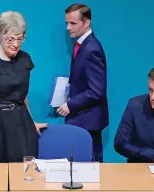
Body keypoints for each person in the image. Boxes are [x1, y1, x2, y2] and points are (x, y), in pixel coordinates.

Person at [0, 11, 48, 165]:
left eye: (20, 38)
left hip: (21, 126)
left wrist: (30, 122)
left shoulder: (25, 59)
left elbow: (21, 94)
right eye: (10, 39)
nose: (16, 44)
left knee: (25, 175)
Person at [57, 3, 109, 162]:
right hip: (82, 119)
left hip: (88, 120)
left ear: (87, 23)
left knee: (90, 167)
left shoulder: (92, 48)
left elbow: (97, 90)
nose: (67, 27)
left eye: (72, 23)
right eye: (67, 23)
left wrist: (70, 105)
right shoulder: (81, 44)